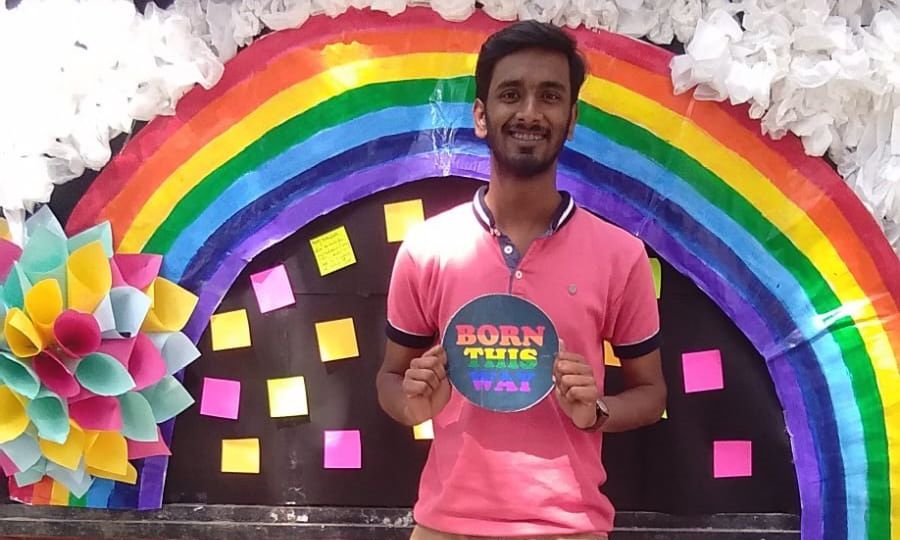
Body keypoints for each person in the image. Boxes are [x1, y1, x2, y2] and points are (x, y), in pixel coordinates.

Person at [376, 20, 666, 540]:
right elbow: (389, 379)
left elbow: (651, 393)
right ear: (482, 116)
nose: (530, 112)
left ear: (572, 119)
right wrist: (410, 402)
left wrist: (597, 410)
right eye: (511, 94)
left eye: (550, 96)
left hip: (571, 528)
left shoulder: (621, 254)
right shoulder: (426, 247)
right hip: (444, 526)